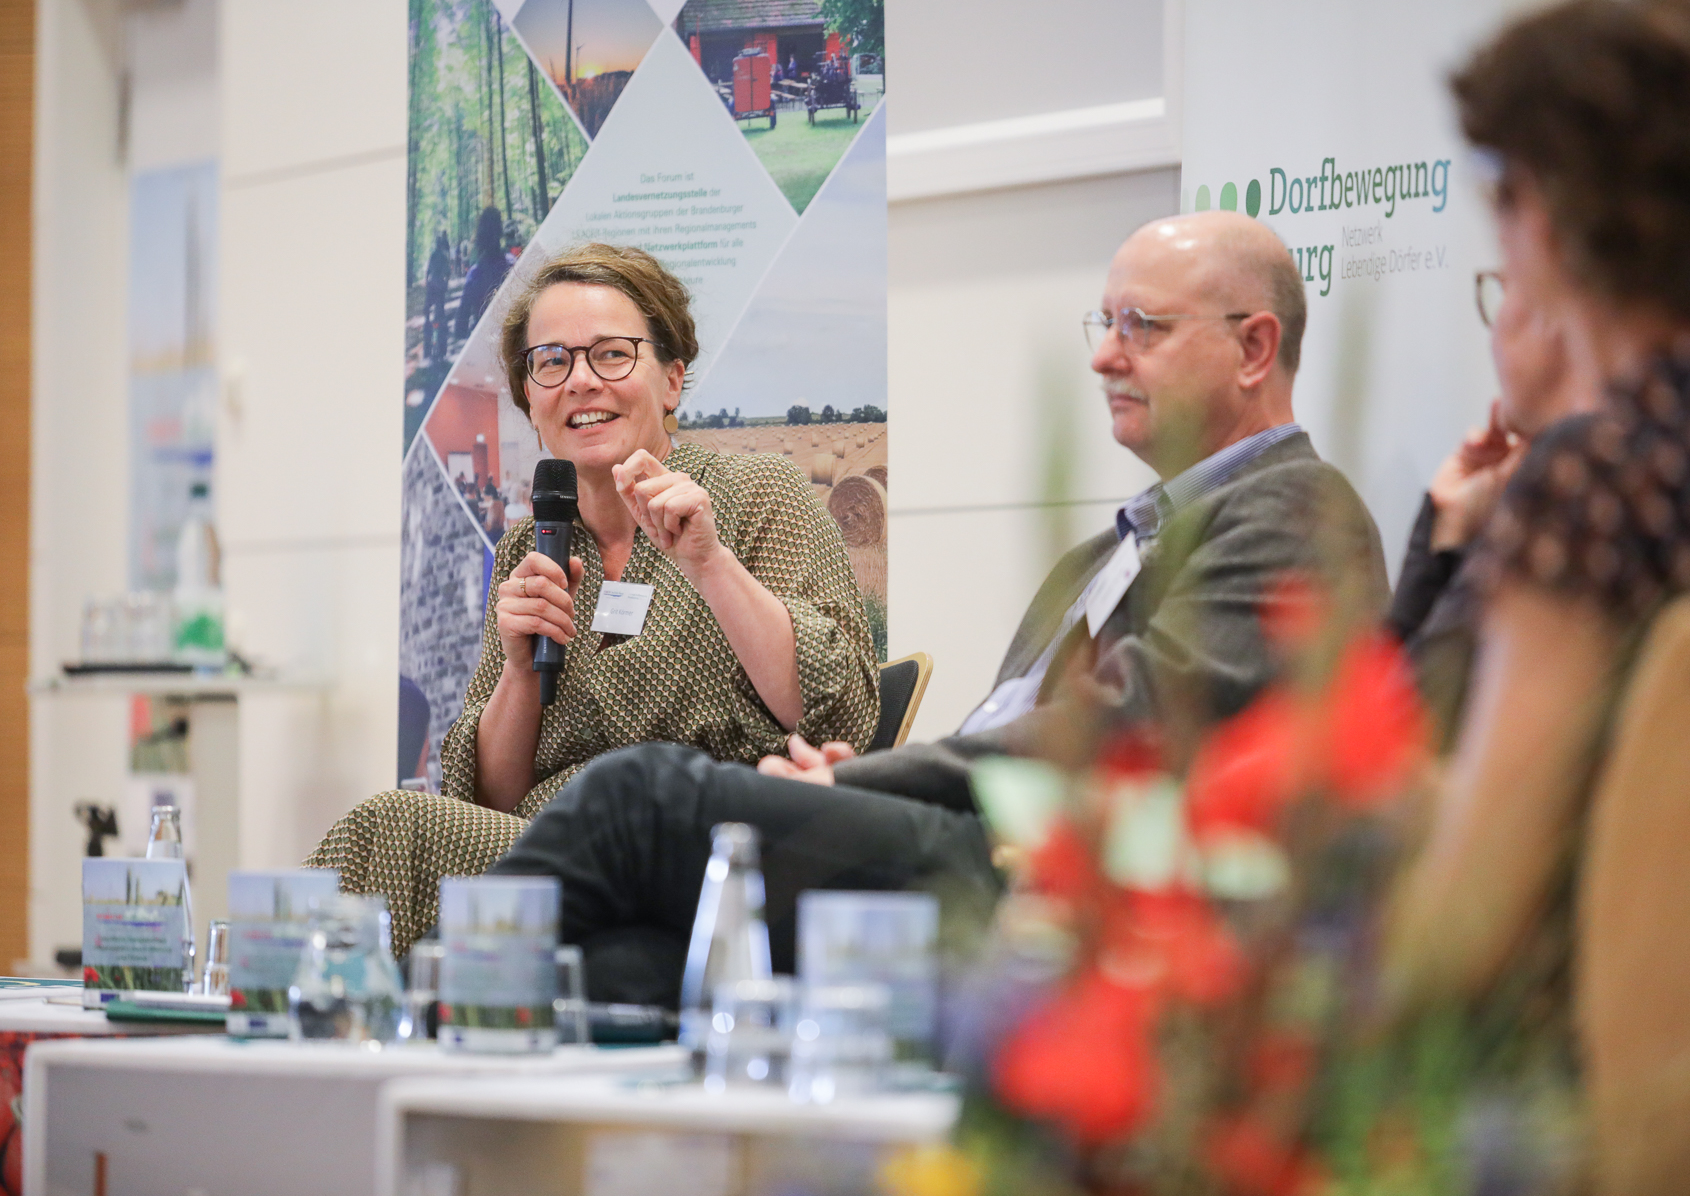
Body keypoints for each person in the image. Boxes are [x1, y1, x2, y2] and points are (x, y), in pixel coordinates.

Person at [487, 211, 1390, 1005]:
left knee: (640, 796)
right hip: (981, 844)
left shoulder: (1293, 506)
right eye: (1106, 323)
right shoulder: (1103, 553)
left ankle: (429, 1004)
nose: (1105, 355)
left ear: (1254, 349)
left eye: (1143, 326)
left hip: (1051, 875)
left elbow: (1133, 729)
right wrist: (864, 778)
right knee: (628, 967)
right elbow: (1018, 729)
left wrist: (859, 785)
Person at [1380, 0, 1690, 1187]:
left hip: (1566, 1113)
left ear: (1548, 210)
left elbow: (1474, 913)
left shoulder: (1597, 483)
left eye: (1497, 190)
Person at [310, 242, 880, 952]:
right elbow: (485, 801)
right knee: (413, 834)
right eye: (551, 361)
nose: (580, 381)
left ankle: (288, 999)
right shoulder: (530, 548)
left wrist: (711, 565)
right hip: (551, 853)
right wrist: (520, 673)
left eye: (611, 355)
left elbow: (842, 714)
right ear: (531, 400)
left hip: (705, 852)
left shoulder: (759, 497)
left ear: (671, 380)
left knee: (394, 826)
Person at [1386, 272, 1601, 744]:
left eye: (1505, 286)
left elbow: (1395, 727)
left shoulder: (1569, 482)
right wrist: (1449, 529)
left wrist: (1444, 542)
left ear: (1556, 316)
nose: (1496, 326)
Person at [453, 206, 511, 341]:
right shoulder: (514, 266)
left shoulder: (475, 275)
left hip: (484, 342)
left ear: (480, 236)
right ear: (500, 232)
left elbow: (460, 327)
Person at [423, 231, 450, 362]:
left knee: (427, 309)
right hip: (440, 284)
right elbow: (448, 272)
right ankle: (441, 346)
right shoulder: (444, 256)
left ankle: (427, 328)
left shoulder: (433, 255)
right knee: (440, 312)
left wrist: (427, 281)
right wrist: (446, 283)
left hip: (432, 283)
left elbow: (428, 270)